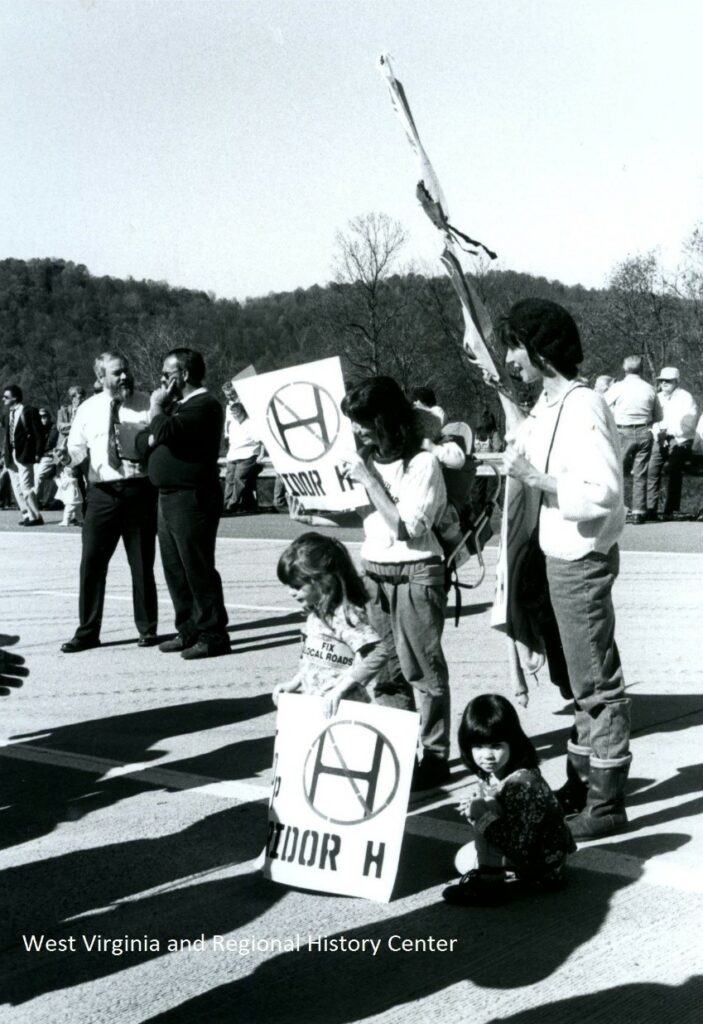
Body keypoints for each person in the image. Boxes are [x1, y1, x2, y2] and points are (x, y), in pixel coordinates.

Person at [501, 298, 629, 840]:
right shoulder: (549, 408)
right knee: (576, 682)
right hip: (553, 556)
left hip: (581, 559)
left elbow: (603, 492)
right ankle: (581, 785)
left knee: (596, 682)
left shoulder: (584, 406)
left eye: (515, 346)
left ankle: (605, 802)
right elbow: (524, 449)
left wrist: (537, 479)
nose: (510, 358)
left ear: (540, 350)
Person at [341, 376, 451, 791]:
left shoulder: (423, 464)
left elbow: (407, 526)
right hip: (374, 572)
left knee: (422, 668)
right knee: (386, 670)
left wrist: (368, 480)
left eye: (364, 421)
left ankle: (435, 754)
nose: (357, 430)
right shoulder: (362, 460)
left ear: (387, 421)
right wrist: (308, 508)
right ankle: (398, 749)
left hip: (415, 572)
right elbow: (358, 515)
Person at [59, 352, 158, 652]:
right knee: (91, 564)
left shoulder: (146, 404)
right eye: (116, 373)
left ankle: (147, 629)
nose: (124, 377)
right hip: (102, 495)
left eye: (125, 371)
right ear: (101, 378)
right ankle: (88, 631)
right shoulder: (87, 409)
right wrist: (67, 459)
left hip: (139, 491)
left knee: (141, 564)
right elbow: (76, 447)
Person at [442, 694, 575, 906]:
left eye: (496, 746)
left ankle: (491, 887)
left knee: (480, 819)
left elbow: (519, 845)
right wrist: (476, 813)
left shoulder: (522, 783)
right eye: (478, 746)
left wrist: (481, 816)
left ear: (513, 742)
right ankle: (497, 873)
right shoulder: (493, 774)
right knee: (463, 858)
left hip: (543, 868)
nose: (486, 755)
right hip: (533, 855)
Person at [145, 347, 230, 660]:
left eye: (168, 373)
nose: (163, 379)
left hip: (192, 496)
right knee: (174, 568)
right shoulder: (178, 407)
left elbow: (162, 431)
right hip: (168, 496)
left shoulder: (205, 405)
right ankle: (188, 628)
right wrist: (158, 421)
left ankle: (213, 633)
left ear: (183, 374)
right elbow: (145, 440)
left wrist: (156, 406)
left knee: (197, 567)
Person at [272, 532, 389, 717]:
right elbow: (315, 661)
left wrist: (341, 688)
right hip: (318, 705)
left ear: (322, 580)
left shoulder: (344, 615)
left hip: (344, 709)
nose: (290, 593)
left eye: (296, 586)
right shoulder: (316, 614)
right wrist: (294, 683)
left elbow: (379, 652)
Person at [605, 355, 662, 524]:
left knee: (616, 472)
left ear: (625, 368)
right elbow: (659, 415)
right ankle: (638, 511)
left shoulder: (618, 387)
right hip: (644, 431)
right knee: (640, 473)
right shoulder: (649, 388)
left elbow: (601, 404)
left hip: (623, 431)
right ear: (641, 369)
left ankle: (614, 509)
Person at [646, 366, 698, 519]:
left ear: (676, 381)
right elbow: (652, 420)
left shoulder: (686, 398)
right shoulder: (658, 397)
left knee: (674, 467)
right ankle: (650, 509)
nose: (664, 383)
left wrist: (671, 435)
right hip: (661, 439)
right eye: (661, 381)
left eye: (668, 381)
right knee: (652, 468)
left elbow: (688, 423)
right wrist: (658, 434)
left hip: (681, 440)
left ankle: (671, 509)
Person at [1, 384, 45, 526]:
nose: (3, 399)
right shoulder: (9, 415)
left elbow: (39, 434)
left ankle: (36, 516)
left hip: (24, 453)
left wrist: (38, 452)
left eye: (6, 397)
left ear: (15, 397)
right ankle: (26, 513)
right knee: (17, 486)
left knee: (26, 485)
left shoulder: (29, 411)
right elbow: (7, 436)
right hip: (11, 453)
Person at [223, 399, 265, 514]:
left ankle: (232, 505)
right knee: (229, 480)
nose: (235, 415)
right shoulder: (232, 424)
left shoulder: (251, 424)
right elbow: (231, 442)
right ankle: (225, 504)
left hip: (248, 455)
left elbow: (261, 441)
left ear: (243, 412)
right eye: (233, 413)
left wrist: (261, 455)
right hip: (233, 456)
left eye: (237, 412)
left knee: (239, 478)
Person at [35, 407, 59, 509]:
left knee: (39, 476)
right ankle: (38, 501)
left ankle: (34, 502)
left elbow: (49, 445)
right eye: (40, 417)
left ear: (49, 417)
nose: (43, 419)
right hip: (37, 457)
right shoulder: (36, 428)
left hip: (50, 456)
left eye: (45, 416)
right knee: (34, 478)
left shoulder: (54, 428)